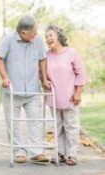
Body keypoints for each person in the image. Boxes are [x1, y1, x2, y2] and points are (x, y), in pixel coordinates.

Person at [0, 15, 50, 163]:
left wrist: (44, 79)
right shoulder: (8, 39)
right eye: (34, 31)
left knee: (36, 120)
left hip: (32, 90)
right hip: (13, 91)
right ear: (23, 32)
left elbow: (42, 59)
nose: (36, 34)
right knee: (13, 123)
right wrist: (4, 77)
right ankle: (18, 152)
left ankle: (36, 151)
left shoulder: (37, 40)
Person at [43, 25, 88, 166]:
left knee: (71, 127)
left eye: (50, 35)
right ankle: (61, 154)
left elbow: (80, 73)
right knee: (57, 126)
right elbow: (42, 74)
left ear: (58, 36)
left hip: (70, 97)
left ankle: (72, 155)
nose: (48, 38)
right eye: (46, 36)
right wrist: (44, 79)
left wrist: (78, 92)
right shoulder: (46, 55)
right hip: (53, 98)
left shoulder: (71, 53)